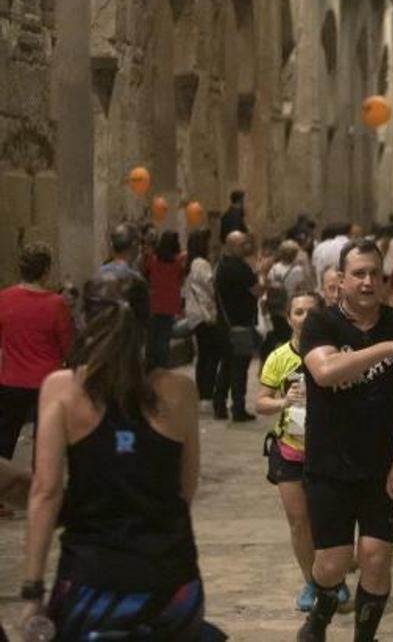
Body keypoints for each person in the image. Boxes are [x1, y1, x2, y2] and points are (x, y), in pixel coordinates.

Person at [20, 272, 207, 638]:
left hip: (91, 581)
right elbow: (184, 491)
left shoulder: (62, 390)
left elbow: (45, 491)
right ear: (147, 320)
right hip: (172, 582)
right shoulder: (181, 391)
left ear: (85, 320)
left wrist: (32, 590)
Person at [296, 239, 393, 642]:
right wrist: (387, 349)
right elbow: (326, 372)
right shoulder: (321, 322)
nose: (368, 281)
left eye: (375, 273)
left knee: (375, 558)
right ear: (340, 279)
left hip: (381, 465)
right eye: (358, 274)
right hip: (329, 462)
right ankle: (319, 614)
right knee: (332, 565)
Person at [254, 291, 352, 613]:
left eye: (311, 312)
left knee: (331, 520)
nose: (305, 318)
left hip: (330, 452)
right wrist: (283, 402)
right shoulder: (279, 357)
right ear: (288, 318)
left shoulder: (336, 354)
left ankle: (333, 579)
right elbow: (260, 402)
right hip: (291, 450)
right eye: (298, 312)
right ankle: (312, 581)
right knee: (299, 522)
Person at [0, 243, 74, 473]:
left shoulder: (4, 299)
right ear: (45, 271)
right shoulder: (56, 304)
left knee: (4, 440)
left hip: (10, 380)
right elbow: (68, 347)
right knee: (45, 443)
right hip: (47, 383)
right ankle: (40, 491)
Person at [213, 231, 260, 422]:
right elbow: (257, 291)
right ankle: (238, 408)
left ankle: (220, 405)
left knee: (226, 365)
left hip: (225, 324)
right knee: (239, 367)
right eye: (242, 244)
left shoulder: (222, 265)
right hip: (239, 324)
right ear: (231, 246)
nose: (246, 247)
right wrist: (262, 272)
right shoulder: (239, 268)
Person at [182, 229, 219, 405]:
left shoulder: (190, 262)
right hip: (204, 313)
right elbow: (210, 284)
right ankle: (206, 392)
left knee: (204, 354)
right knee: (210, 354)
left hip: (194, 313)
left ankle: (202, 391)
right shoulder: (201, 263)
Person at [143, 231, 186, 369]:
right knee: (164, 338)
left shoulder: (152, 260)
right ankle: (163, 367)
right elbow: (180, 280)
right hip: (170, 304)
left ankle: (150, 366)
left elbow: (146, 277)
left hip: (154, 302)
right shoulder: (178, 262)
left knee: (151, 338)